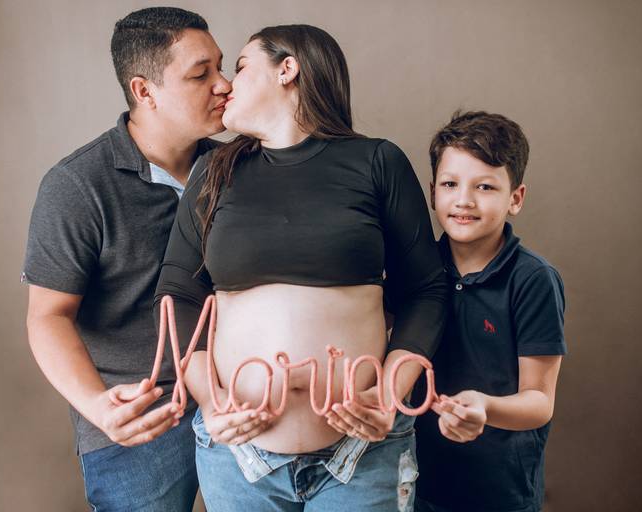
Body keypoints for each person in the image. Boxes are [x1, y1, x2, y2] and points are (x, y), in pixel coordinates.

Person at [155, 24, 448, 512]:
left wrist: (388, 395)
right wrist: (210, 400)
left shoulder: (376, 162)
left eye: (240, 67)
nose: (225, 84)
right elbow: (179, 295)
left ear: (287, 69)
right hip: (239, 456)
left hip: (363, 450)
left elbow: (426, 291)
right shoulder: (215, 171)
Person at [22, 7, 230, 511]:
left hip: (236, 397)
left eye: (222, 67)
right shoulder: (77, 185)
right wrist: (99, 407)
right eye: (200, 74)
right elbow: (48, 317)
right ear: (144, 91)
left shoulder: (237, 166)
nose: (224, 85)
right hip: (142, 416)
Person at [413, 111, 567, 512]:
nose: (464, 200)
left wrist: (485, 407)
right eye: (450, 184)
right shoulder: (415, 270)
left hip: (501, 493)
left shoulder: (533, 279)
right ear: (432, 192)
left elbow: (539, 401)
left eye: (484, 186)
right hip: (415, 484)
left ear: (515, 198)